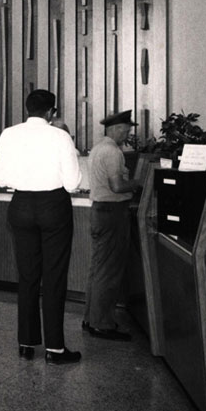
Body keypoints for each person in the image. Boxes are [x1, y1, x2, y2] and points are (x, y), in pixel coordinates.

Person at [0, 89, 83, 365]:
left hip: (20, 205)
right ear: (51, 112)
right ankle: (55, 348)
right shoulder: (60, 136)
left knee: (28, 275)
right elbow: (72, 183)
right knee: (53, 276)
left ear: (27, 109)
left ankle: (27, 342)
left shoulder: (9, 133)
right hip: (53, 205)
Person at [83, 110, 139, 341]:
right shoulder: (113, 152)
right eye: (125, 130)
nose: (127, 134)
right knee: (109, 271)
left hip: (99, 211)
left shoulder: (97, 149)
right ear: (115, 129)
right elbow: (117, 186)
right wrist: (138, 183)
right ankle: (103, 324)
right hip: (112, 213)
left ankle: (91, 319)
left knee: (98, 268)